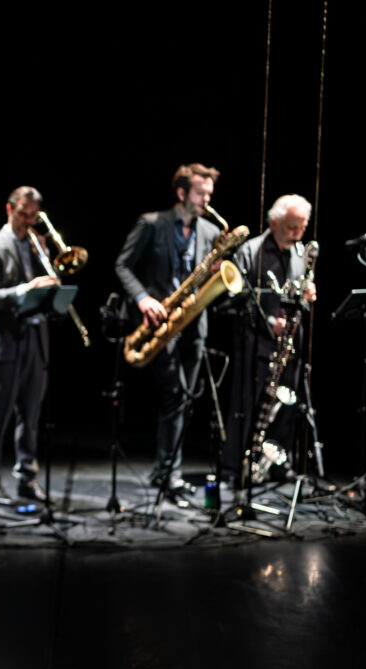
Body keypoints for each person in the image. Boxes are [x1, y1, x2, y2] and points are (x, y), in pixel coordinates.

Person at [114, 163, 223, 499]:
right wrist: (143, 299)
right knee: (173, 397)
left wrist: (215, 272)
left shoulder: (209, 231)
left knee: (184, 400)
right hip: (161, 321)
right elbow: (123, 265)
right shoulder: (152, 223)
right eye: (200, 193)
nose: (207, 199)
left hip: (194, 324)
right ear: (181, 192)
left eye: (209, 193)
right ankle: (168, 473)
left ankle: (166, 471)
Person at [221, 194, 317, 485]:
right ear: (274, 223)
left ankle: (275, 466)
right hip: (256, 341)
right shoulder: (252, 251)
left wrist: (307, 296)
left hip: (289, 344)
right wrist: (270, 321)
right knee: (247, 406)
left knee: (285, 405)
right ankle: (235, 468)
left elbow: (297, 296)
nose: (297, 234)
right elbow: (236, 297)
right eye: (291, 227)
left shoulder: (299, 254)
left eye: (302, 227)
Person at [0, 186, 58, 506]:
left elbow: (49, 285)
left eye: (33, 216)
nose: (28, 221)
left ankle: (26, 479)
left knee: (31, 416)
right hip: (5, 341)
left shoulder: (38, 245)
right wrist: (25, 289)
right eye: (23, 214)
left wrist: (49, 272)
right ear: (9, 209)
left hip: (36, 339)